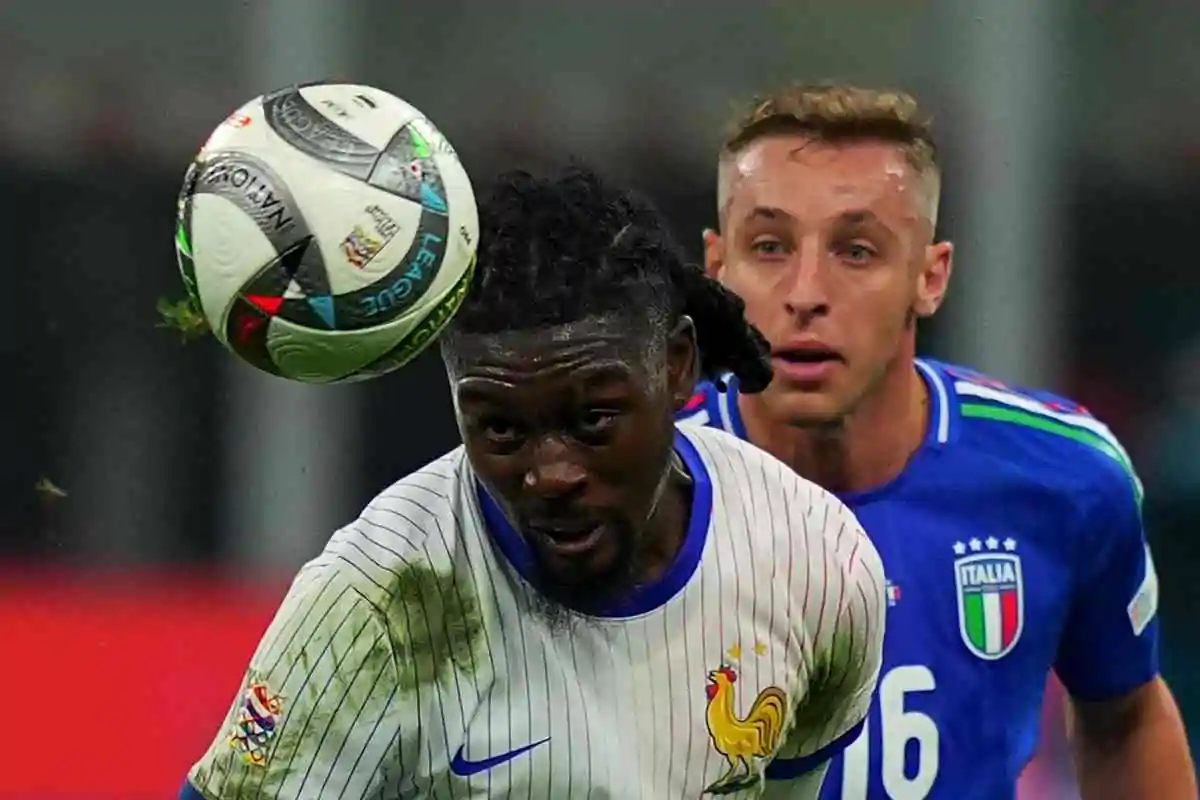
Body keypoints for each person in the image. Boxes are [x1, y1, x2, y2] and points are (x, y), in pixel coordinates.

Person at [180, 165, 887, 799]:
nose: (551, 475)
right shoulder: (375, 603)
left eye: (594, 420)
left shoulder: (814, 562)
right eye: (501, 430)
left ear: (675, 367)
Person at [679, 83, 1196, 799]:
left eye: (856, 251)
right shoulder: (643, 479)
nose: (806, 293)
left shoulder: (1065, 476)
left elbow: (1126, 719)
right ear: (718, 270)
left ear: (930, 276)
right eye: (769, 247)